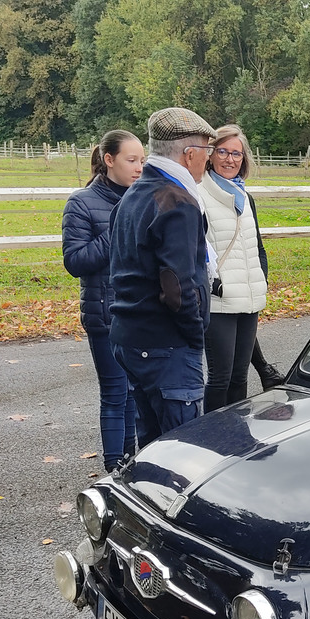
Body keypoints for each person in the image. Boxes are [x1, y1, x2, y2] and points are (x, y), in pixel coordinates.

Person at [109, 107, 215, 438]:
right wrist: (195, 337)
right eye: (207, 150)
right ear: (189, 154)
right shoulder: (177, 201)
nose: (208, 159)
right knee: (181, 448)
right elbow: (177, 288)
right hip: (166, 344)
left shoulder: (133, 194)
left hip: (131, 337)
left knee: (152, 442)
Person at [63, 131, 144, 470]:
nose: (139, 168)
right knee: (115, 393)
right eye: (131, 160)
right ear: (109, 160)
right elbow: (75, 261)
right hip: (105, 314)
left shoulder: (143, 198)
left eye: (142, 160)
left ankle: (131, 463)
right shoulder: (81, 202)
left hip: (140, 313)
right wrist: (118, 227)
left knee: (136, 394)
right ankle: (114, 468)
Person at [200, 124, 272, 410]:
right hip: (219, 300)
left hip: (249, 298)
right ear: (210, 154)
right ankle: (211, 433)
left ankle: (236, 430)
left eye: (236, 154)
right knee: (221, 377)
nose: (230, 160)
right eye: (223, 152)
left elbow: (257, 247)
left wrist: (261, 280)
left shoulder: (245, 197)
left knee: (240, 377)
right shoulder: (199, 195)